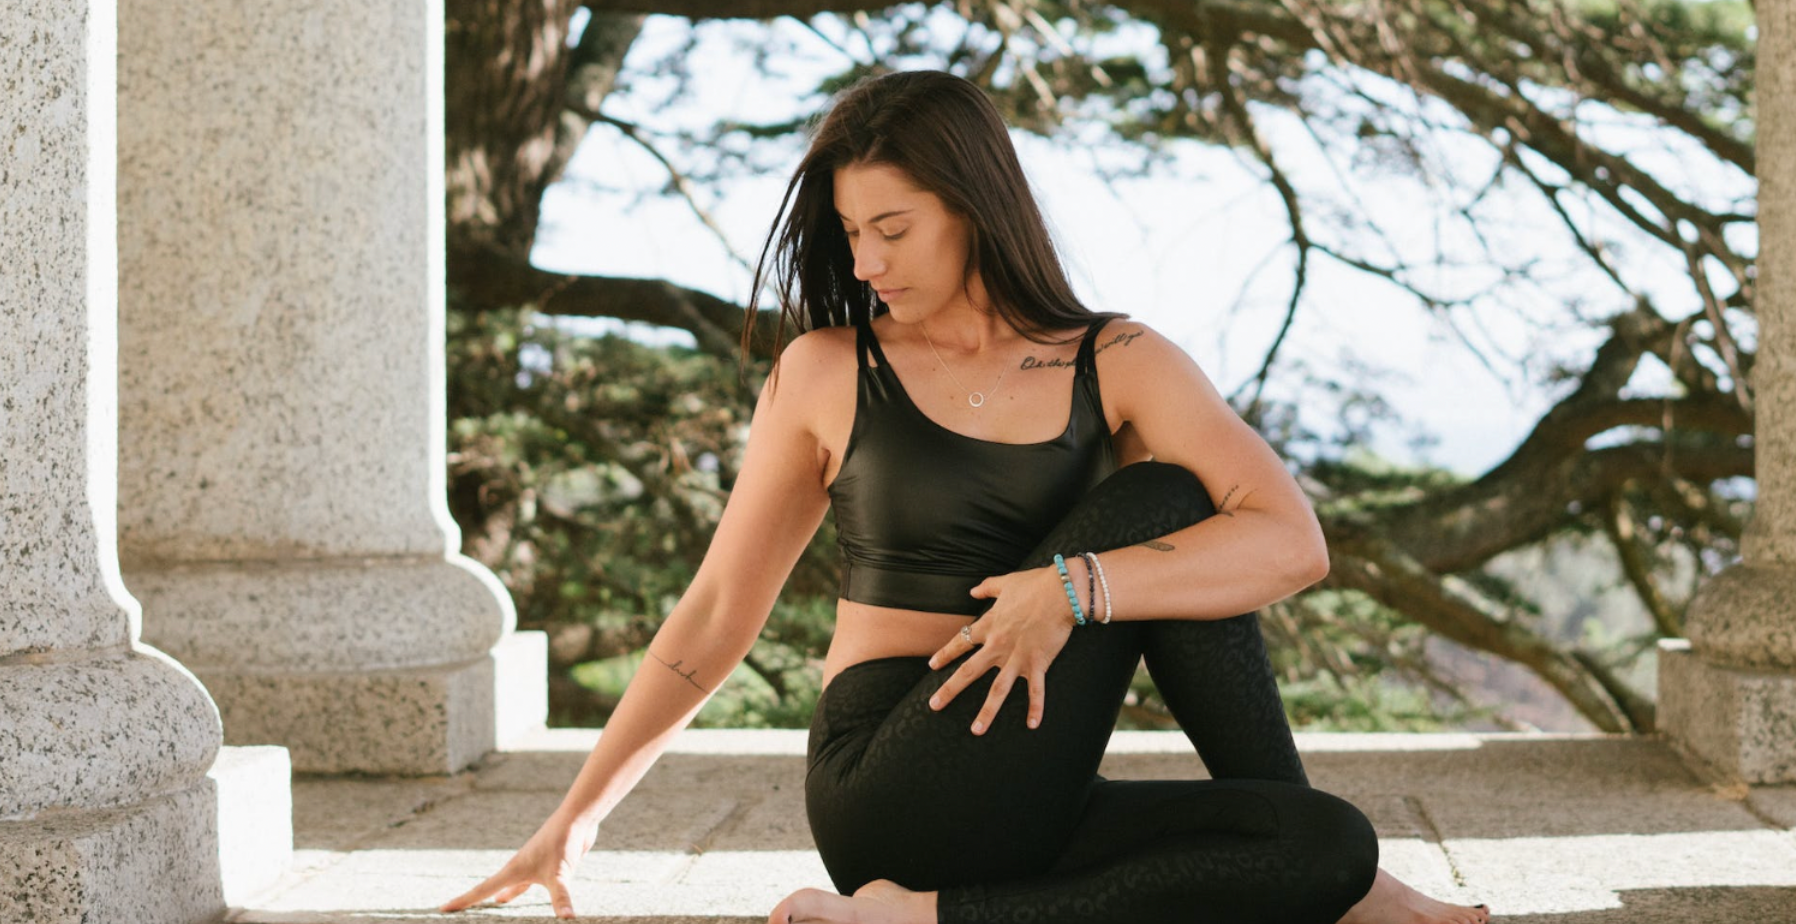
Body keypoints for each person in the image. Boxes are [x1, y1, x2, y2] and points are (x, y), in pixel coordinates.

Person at [439, 69, 1492, 924]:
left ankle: (927, 920)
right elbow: (718, 612)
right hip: (890, 770)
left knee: (1325, 846)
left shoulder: (1115, 359)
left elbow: (1290, 544)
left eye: (892, 227)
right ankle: (916, 901)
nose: (866, 259)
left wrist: (1069, 592)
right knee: (1164, 499)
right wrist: (577, 818)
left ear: (974, 204)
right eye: (852, 232)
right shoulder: (826, 369)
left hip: (1033, 784)